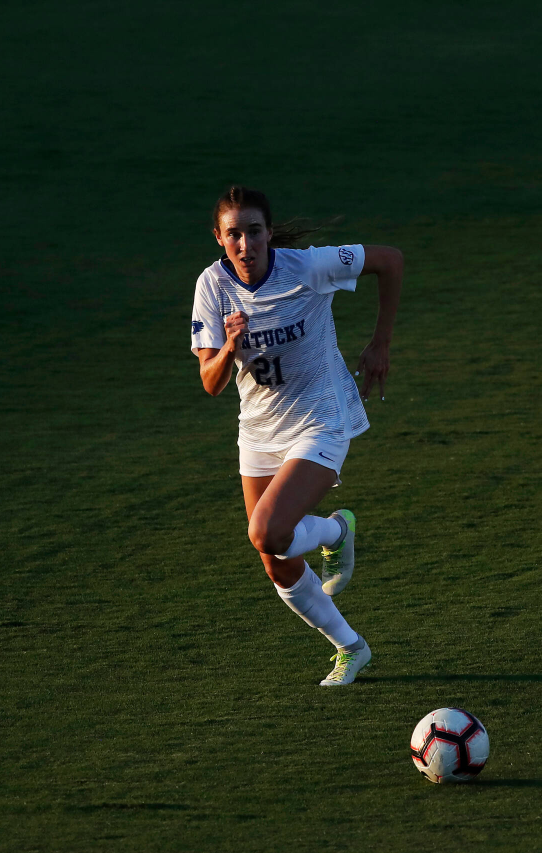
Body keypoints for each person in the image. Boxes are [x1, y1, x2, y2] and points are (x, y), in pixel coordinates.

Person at [190, 185, 403, 683]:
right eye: (234, 235)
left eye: (255, 231)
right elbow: (210, 383)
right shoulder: (212, 287)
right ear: (219, 239)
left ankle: (334, 530)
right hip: (259, 432)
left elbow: (390, 261)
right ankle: (351, 646)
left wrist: (380, 342)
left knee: (266, 532)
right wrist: (230, 346)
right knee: (277, 562)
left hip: (321, 419)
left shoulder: (308, 267)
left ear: (269, 232)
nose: (246, 244)